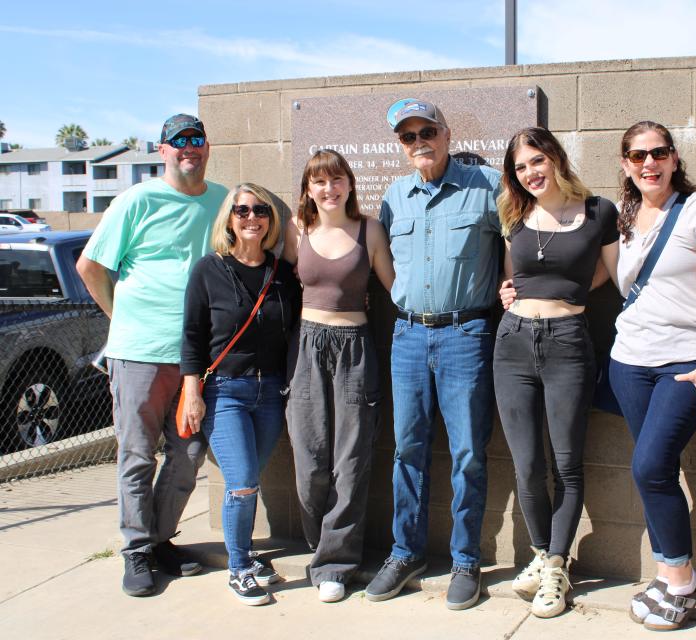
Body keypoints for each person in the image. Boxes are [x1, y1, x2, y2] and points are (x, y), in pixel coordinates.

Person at [76, 114, 228, 597]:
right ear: (162, 150)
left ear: (207, 147)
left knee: (187, 456)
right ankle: (136, 550)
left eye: (197, 140)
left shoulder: (222, 201)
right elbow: (90, 267)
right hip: (140, 353)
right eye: (179, 141)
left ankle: (161, 540)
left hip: (196, 361)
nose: (190, 148)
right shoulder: (136, 201)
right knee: (137, 455)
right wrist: (121, 317)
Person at [365, 98, 501, 611]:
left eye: (427, 131)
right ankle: (406, 552)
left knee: (467, 453)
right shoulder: (395, 198)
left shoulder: (484, 187)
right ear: (400, 146)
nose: (419, 141)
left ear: (446, 133)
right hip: (407, 338)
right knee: (407, 450)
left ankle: (466, 560)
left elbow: (516, 244)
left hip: (465, 336)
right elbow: (384, 267)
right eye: (407, 136)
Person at [609, 121, 696, 631]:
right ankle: (669, 574)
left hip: (687, 363)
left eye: (658, 153)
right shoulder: (625, 216)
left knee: (650, 468)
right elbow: (602, 276)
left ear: (675, 158)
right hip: (629, 362)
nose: (649, 163)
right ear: (625, 164)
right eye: (638, 156)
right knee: (654, 471)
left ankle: (681, 581)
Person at [494, 127, 619, 618]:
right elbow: (512, 274)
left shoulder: (598, 212)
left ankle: (556, 566)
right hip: (513, 343)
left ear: (556, 158)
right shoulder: (514, 213)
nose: (530, 173)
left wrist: (573, 291)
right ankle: (546, 558)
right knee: (525, 464)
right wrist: (511, 293)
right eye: (521, 168)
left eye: (537, 161)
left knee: (565, 464)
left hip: (568, 341)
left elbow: (613, 271)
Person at [179, 183, 299, 605]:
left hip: (270, 394)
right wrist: (192, 392)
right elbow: (192, 337)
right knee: (244, 480)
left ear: (271, 219)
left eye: (260, 209)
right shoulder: (208, 270)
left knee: (247, 480)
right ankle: (239, 569)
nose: (252, 217)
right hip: (225, 393)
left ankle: (243, 551)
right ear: (229, 220)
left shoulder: (283, 273)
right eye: (242, 210)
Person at [282, 150, 394, 603]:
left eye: (337, 180)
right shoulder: (295, 230)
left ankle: (336, 564)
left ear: (349, 183)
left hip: (354, 350)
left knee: (350, 461)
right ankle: (321, 541)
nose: (330, 189)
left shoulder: (369, 230)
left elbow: (394, 286)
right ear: (308, 189)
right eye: (319, 182)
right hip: (305, 349)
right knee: (310, 461)